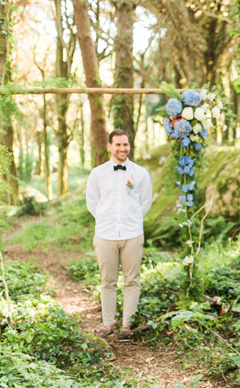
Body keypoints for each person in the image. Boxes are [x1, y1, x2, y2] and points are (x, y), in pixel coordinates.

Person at [86, 129, 153, 340]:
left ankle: (126, 325)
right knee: (108, 281)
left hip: (133, 234)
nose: (122, 148)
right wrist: (107, 220)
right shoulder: (97, 174)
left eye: (126, 144)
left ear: (129, 146)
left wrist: (130, 220)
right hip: (105, 235)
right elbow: (92, 204)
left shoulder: (140, 173)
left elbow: (145, 203)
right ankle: (107, 325)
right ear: (109, 146)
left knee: (132, 280)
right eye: (118, 145)